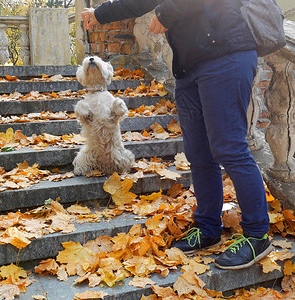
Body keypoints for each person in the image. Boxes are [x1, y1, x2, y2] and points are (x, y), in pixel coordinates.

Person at [81, 0, 272, 270]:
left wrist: (166, 11)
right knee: (199, 154)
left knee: (230, 148)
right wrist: (100, 14)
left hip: (226, 54)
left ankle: (257, 235)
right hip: (188, 67)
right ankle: (208, 229)